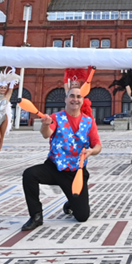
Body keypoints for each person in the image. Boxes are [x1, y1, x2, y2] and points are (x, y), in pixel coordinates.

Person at [20, 86, 102, 231]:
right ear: (65, 99)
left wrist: (92, 151)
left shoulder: (89, 122)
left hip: (75, 172)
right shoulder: (56, 118)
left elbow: (97, 145)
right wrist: (45, 125)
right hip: (53, 167)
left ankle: (71, 202)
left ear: (82, 101)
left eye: (78, 97)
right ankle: (36, 216)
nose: (75, 99)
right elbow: (46, 134)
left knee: (82, 216)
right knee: (29, 174)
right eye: (72, 96)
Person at [0, 67, 21, 165]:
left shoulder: (7, 96)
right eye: (1, 88)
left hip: (4, 118)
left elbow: (11, 86)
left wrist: (14, 72)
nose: (3, 89)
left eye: (4, 88)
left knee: (1, 138)